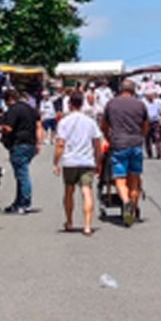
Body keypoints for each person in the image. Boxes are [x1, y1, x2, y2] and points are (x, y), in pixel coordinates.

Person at [53, 92, 103, 236]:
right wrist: (98, 160)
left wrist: (56, 162)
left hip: (69, 161)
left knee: (69, 191)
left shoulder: (64, 122)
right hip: (87, 161)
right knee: (86, 190)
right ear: (82, 103)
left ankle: (69, 221)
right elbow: (97, 143)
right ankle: (87, 225)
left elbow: (60, 144)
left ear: (69, 104)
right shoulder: (90, 121)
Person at [102, 79, 149, 227]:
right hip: (135, 144)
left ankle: (126, 202)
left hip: (119, 143)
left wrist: (108, 137)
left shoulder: (111, 104)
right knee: (134, 178)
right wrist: (141, 136)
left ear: (120, 90)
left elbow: (104, 124)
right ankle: (132, 210)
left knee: (120, 179)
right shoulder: (140, 104)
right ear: (133, 90)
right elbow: (146, 125)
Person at [0, 89, 42, 214]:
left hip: (19, 143)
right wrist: (39, 142)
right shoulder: (30, 109)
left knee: (22, 174)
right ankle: (18, 201)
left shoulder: (13, 110)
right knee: (20, 174)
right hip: (30, 143)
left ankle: (25, 202)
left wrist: (0, 128)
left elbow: (9, 128)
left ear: (8, 99)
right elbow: (39, 125)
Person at [143, 89, 161, 160]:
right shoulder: (143, 102)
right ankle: (149, 153)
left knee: (157, 137)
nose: (151, 97)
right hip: (146, 122)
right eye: (149, 96)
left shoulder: (158, 102)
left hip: (156, 121)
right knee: (147, 138)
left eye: (152, 95)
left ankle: (159, 153)